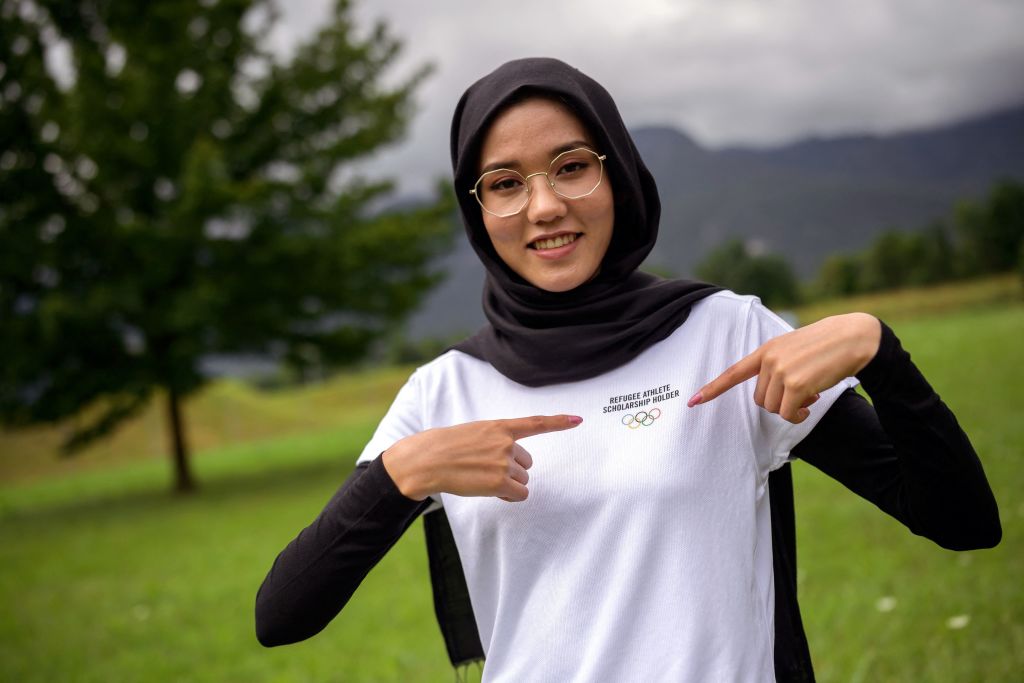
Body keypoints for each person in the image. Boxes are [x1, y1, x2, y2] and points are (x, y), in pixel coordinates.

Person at [255, 57, 1001, 681]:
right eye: (506, 183)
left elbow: (962, 521)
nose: (544, 206)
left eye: (571, 167)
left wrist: (882, 354)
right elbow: (281, 615)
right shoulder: (444, 391)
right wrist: (400, 473)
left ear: (617, 174)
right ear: (476, 207)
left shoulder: (724, 334)